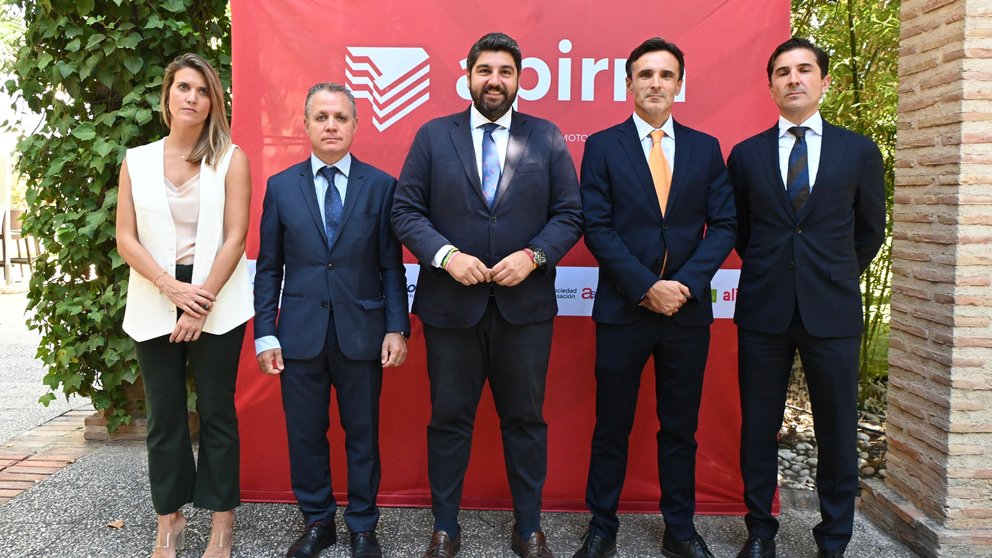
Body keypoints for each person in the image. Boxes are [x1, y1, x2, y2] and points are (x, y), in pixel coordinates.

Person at [392, 32, 582, 558]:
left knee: (526, 421)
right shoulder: (434, 136)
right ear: (468, 75)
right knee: (449, 420)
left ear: (519, 79)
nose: (494, 80)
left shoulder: (545, 137)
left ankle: (529, 529)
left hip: (525, 311)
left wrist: (535, 256)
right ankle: (445, 528)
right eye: (485, 70)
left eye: (505, 71)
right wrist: (447, 256)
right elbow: (405, 212)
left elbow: (571, 214)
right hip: (452, 309)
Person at [572, 37, 736, 558]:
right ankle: (602, 527)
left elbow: (725, 225)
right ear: (629, 84)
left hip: (687, 313)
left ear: (680, 85)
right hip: (625, 309)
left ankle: (680, 531)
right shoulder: (602, 145)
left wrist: (683, 286)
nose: (656, 84)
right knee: (611, 426)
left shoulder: (706, 148)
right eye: (645, 75)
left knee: (680, 430)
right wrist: (645, 287)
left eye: (666, 75)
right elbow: (596, 227)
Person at [728, 37, 886, 558]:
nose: (793, 79)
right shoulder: (746, 155)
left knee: (838, 429)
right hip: (764, 310)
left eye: (804, 70)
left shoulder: (858, 151)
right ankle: (759, 530)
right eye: (782, 72)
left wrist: (833, 275)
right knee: (758, 427)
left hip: (833, 311)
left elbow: (869, 232)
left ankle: (834, 536)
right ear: (770, 85)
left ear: (824, 82)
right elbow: (742, 233)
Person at [254, 82, 409, 558]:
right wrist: (264, 333)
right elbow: (269, 268)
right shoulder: (281, 187)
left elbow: (391, 266)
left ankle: (363, 526)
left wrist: (395, 327)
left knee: (362, 435)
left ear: (356, 125)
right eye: (321, 117)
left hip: (362, 335)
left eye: (340, 117)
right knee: (306, 435)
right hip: (298, 336)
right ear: (305, 125)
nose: (331, 125)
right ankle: (318, 521)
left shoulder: (380, 186)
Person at [116, 53, 253, 558]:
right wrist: (170, 290)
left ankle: (221, 522)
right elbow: (125, 238)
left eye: (202, 90)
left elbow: (236, 237)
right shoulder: (136, 160)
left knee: (217, 411)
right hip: (154, 296)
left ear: (214, 101)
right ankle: (169, 520)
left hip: (218, 297)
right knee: (165, 416)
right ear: (167, 95)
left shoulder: (231, 158)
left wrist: (199, 304)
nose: (192, 98)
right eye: (183, 88)